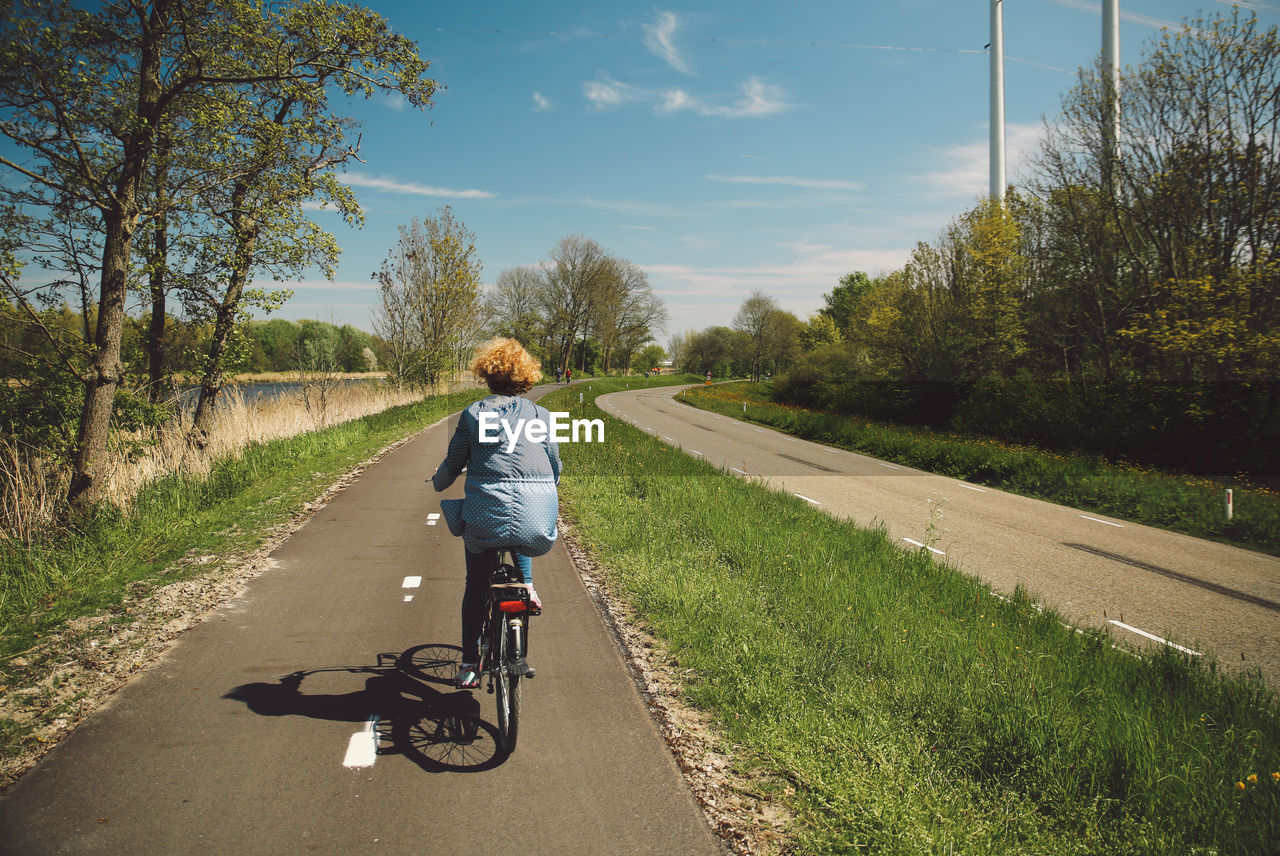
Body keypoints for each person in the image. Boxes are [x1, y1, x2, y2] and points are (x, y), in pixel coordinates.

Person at [433, 338, 561, 689]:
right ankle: (529, 589)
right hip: (536, 521)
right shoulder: (541, 416)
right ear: (525, 377)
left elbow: (452, 464)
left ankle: (470, 664)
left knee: (476, 583)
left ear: (485, 375)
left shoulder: (474, 415)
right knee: (522, 519)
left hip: (484, 518)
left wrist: (439, 483)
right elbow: (554, 464)